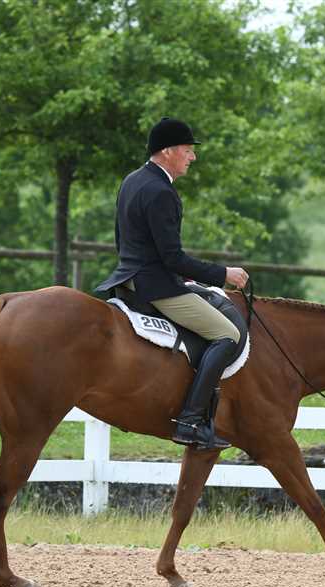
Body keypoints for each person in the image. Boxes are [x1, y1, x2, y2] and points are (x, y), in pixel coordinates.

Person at [96, 117, 249, 450]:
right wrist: (223, 274)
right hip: (156, 286)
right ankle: (191, 421)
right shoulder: (162, 192)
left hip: (129, 278)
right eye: (187, 150)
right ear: (167, 151)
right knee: (227, 334)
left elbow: (124, 241)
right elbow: (173, 258)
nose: (192, 157)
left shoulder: (132, 180)